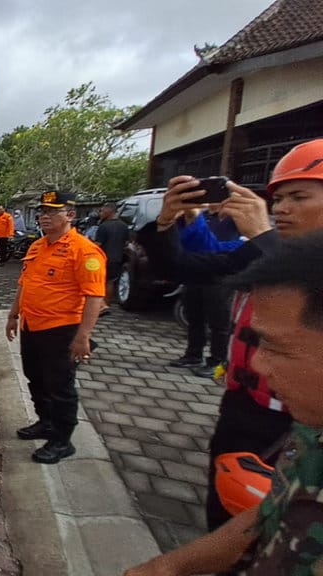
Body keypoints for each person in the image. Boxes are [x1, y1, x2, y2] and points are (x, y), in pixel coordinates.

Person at [137, 139, 323, 531]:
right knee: (225, 509)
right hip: (245, 409)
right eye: (279, 198)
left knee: (283, 529)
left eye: (298, 197)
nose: (282, 209)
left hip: (301, 423)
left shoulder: (269, 247)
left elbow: (305, 288)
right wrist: (167, 221)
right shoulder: (264, 250)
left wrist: (261, 234)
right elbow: (183, 267)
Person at [124, 232, 323, 576]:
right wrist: (167, 566)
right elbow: (271, 513)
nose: (257, 364)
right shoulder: (309, 435)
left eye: (277, 348)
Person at [7, 190, 106, 464]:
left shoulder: (85, 251)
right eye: (42, 211)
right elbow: (24, 284)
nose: (45, 216)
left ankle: (62, 441)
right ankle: (46, 422)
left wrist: (83, 336)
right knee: (35, 378)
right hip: (32, 325)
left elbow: (95, 297)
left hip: (62, 330)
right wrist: (13, 315)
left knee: (60, 386)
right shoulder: (37, 246)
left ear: (71, 215)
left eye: (53, 211)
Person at [171, 209, 243, 378]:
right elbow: (184, 242)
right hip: (195, 273)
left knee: (219, 322)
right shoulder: (200, 216)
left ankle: (218, 361)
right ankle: (193, 355)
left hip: (220, 277)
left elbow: (235, 245)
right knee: (194, 318)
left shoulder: (236, 218)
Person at [94, 202, 129, 307]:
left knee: (101, 282)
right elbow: (126, 242)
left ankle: (101, 305)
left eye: (103, 211)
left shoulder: (103, 226)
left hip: (103, 258)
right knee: (111, 281)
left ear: (110, 211)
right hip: (117, 258)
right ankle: (107, 304)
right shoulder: (124, 226)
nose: (101, 213)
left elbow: (97, 244)